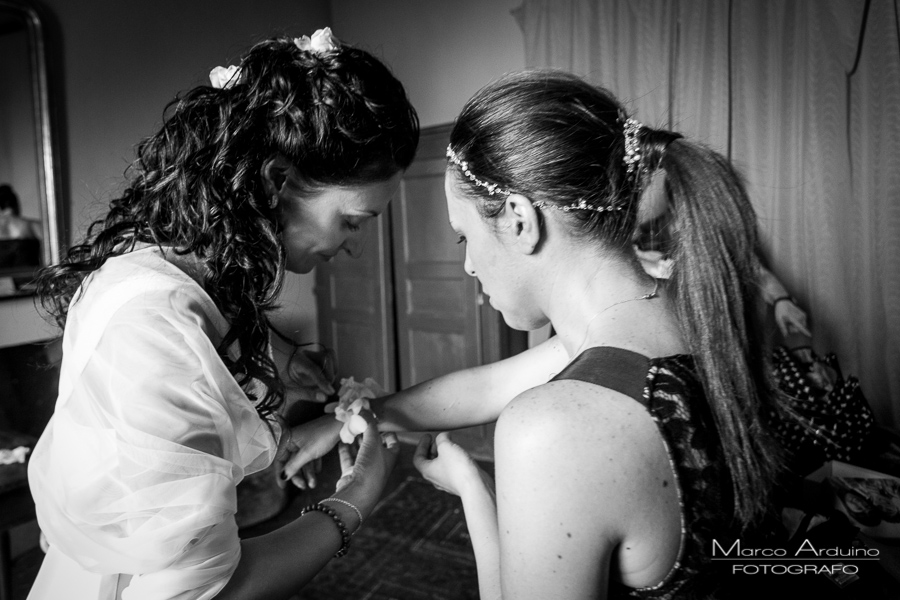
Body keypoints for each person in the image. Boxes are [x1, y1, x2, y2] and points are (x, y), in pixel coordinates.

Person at [282, 70, 785, 599]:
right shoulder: (685, 310)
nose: (470, 266)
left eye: (464, 238)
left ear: (520, 220)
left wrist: (475, 493)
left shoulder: (554, 430)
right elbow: (482, 389)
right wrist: (365, 416)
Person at [28, 28, 418, 600]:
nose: (350, 244)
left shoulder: (160, 262)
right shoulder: (157, 330)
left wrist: (279, 357)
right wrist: (355, 496)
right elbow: (212, 590)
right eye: (352, 220)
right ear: (276, 182)